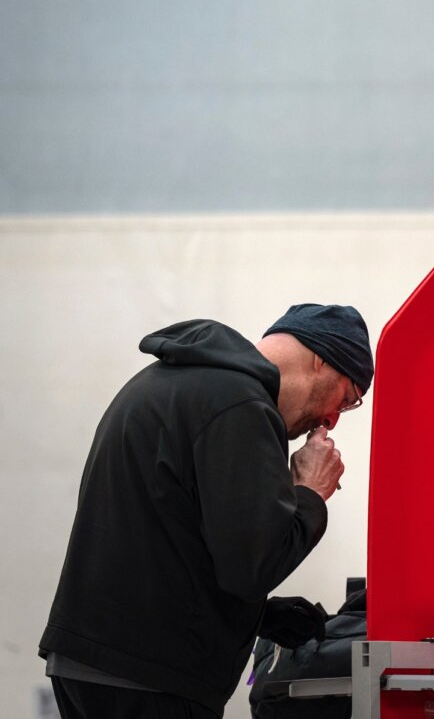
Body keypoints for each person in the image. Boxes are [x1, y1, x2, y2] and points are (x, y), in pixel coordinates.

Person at [39, 303, 374, 718]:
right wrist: (309, 492)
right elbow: (252, 566)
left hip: (96, 663)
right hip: (152, 679)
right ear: (324, 359)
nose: (331, 420)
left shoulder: (177, 381)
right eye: (348, 399)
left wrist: (260, 617)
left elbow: (176, 545)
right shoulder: (241, 404)